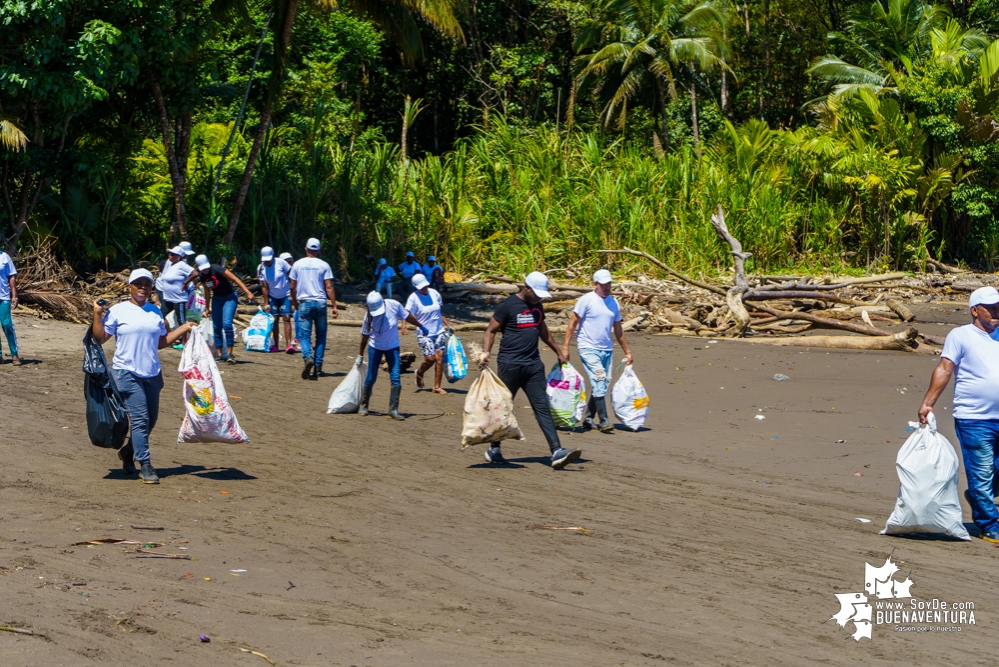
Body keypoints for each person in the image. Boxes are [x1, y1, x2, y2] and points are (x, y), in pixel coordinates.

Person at [91, 269, 196, 483]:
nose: (142, 287)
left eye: (146, 284)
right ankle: (145, 465)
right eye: (137, 283)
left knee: (151, 422)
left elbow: (160, 342)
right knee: (140, 420)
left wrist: (184, 327)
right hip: (126, 372)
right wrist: (97, 314)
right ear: (129, 286)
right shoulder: (119, 311)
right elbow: (100, 338)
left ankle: (128, 452)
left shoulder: (155, 312)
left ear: (151, 288)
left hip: (152, 373)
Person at [918, 286, 999, 542]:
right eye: (991, 307)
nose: (997, 311)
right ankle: (990, 525)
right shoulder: (960, 335)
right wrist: (928, 403)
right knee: (982, 471)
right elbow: (944, 369)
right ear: (975, 311)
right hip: (974, 418)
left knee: (985, 479)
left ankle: (978, 493)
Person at [482, 272, 581, 469]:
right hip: (510, 365)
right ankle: (494, 448)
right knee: (503, 407)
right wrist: (485, 354)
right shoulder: (507, 306)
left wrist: (558, 351)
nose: (538, 297)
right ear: (526, 288)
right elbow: (490, 331)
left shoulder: (537, 304)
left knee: (542, 406)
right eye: (535, 293)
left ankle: (556, 451)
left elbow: (542, 329)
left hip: (533, 366)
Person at [562, 269, 634, 432]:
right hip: (587, 347)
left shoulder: (613, 303)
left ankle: (588, 418)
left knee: (602, 383)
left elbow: (618, 329)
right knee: (599, 380)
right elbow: (572, 324)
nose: (607, 287)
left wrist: (627, 352)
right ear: (595, 284)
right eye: (603, 284)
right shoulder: (586, 300)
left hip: (606, 349)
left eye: (609, 283)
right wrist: (565, 347)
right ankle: (604, 420)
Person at [358, 291, 424, 420]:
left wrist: (420, 325)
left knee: (395, 377)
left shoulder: (394, 305)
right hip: (375, 348)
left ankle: (393, 409)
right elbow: (364, 337)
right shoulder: (369, 316)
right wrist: (360, 355)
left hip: (392, 347)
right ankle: (363, 405)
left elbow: (407, 316)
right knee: (371, 377)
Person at [188, 254, 256, 364]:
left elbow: (234, 278)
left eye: (206, 267)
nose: (205, 270)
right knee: (216, 326)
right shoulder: (202, 276)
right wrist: (207, 307)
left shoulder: (217, 269)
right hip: (217, 299)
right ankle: (219, 354)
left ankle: (230, 354)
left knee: (227, 324)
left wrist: (248, 292)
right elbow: (207, 291)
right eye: (202, 268)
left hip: (229, 297)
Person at [290, 238, 338, 379]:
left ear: (306, 249)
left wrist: (295, 302)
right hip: (321, 303)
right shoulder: (324, 265)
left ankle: (307, 357)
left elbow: (292, 286)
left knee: (304, 335)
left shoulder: (297, 264)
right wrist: (334, 305)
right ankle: (318, 366)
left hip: (305, 303)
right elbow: (329, 287)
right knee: (321, 336)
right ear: (318, 250)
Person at [406, 273, 454, 394]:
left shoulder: (435, 293)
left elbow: (439, 312)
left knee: (439, 358)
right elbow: (407, 313)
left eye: (425, 286)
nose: (424, 288)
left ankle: (436, 387)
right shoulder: (413, 298)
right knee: (430, 358)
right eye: (421, 287)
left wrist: (448, 325)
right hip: (425, 333)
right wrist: (404, 325)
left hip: (439, 330)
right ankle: (420, 372)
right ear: (416, 287)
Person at [157, 246, 196, 349]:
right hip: (168, 299)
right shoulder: (170, 265)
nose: (170, 255)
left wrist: (186, 283)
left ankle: (184, 342)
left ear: (178, 257)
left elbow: (195, 273)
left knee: (181, 321)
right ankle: (170, 335)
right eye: (170, 253)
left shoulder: (182, 265)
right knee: (159, 316)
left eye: (172, 254)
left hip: (179, 299)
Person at [257, 246, 294, 353]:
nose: (267, 262)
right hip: (273, 295)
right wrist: (266, 302)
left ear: (273, 256)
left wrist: (292, 292)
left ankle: (288, 345)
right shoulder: (261, 268)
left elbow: (291, 276)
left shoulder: (281, 263)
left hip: (285, 294)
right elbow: (264, 286)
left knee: (286, 317)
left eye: (269, 259)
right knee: (275, 320)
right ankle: (276, 345)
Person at [0, 249, 20, 366]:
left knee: (7, 324)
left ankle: (14, 353)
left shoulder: (4, 257)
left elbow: (11, 277)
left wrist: (14, 295)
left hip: (3, 297)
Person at [280, 253, 300, 354]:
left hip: (297, 296)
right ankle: (297, 339)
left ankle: (298, 339)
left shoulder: (297, 270)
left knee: (298, 316)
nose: (290, 264)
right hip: (285, 297)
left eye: (291, 261)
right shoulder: (281, 273)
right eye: (287, 262)